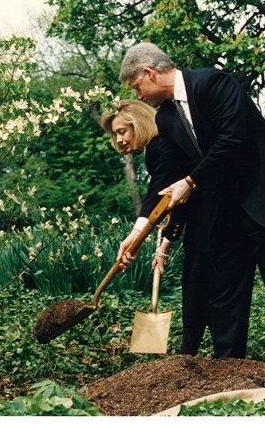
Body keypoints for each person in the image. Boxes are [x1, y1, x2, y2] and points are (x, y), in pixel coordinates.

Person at [117, 42, 265, 377]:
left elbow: (233, 139)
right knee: (227, 293)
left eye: (137, 87)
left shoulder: (214, 83)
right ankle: (228, 370)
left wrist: (190, 182)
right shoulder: (166, 117)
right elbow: (165, 176)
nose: (140, 95)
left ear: (149, 73)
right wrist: (138, 231)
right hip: (227, 209)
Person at [101, 99, 213, 354]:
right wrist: (164, 244)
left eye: (122, 131)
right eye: (115, 134)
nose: (119, 140)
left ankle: (193, 355)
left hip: (209, 223)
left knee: (199, 287)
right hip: (200, 224)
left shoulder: (160, 145)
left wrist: (137, 237)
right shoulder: (159, 147)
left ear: (138, 123)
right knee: (196, 286)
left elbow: (160, 195)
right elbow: (173, 202)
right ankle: (193, 353)